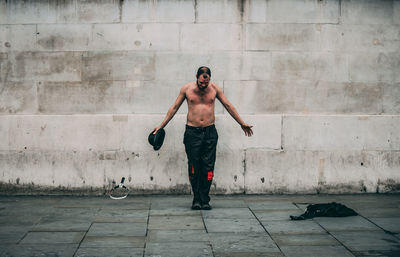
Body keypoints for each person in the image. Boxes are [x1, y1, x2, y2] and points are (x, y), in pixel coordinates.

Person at [153, 66, 253, 210]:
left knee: (208, 167)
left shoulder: (214, 89)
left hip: (209, 133)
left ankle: (205, 199)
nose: (203, 85)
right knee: (194, 167)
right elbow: (174, 107)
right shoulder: (186, 89)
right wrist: (161, 126)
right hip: (192, 133)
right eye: (201, 83)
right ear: (197, 77)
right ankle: (196, 199)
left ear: (209, 79)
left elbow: (228, 105)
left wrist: (241, 123)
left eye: (206, 83)